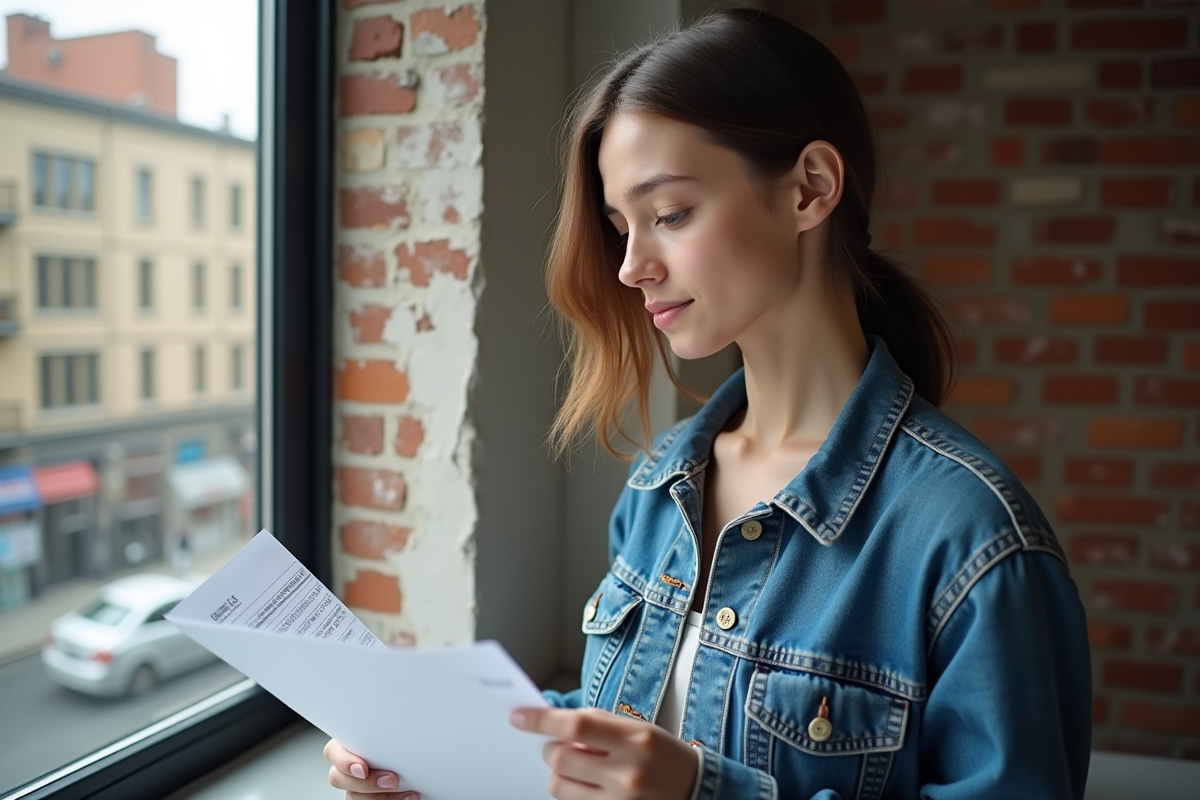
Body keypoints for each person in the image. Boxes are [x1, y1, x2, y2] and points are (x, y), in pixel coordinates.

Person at [324, 9, 1091, 799]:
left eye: (669, 215)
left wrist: (703, 792)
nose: (629, 267)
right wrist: (431, 746)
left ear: (810, 189)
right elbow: (621, 727)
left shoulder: (971, 539)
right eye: (622, 227)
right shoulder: (662, 487)